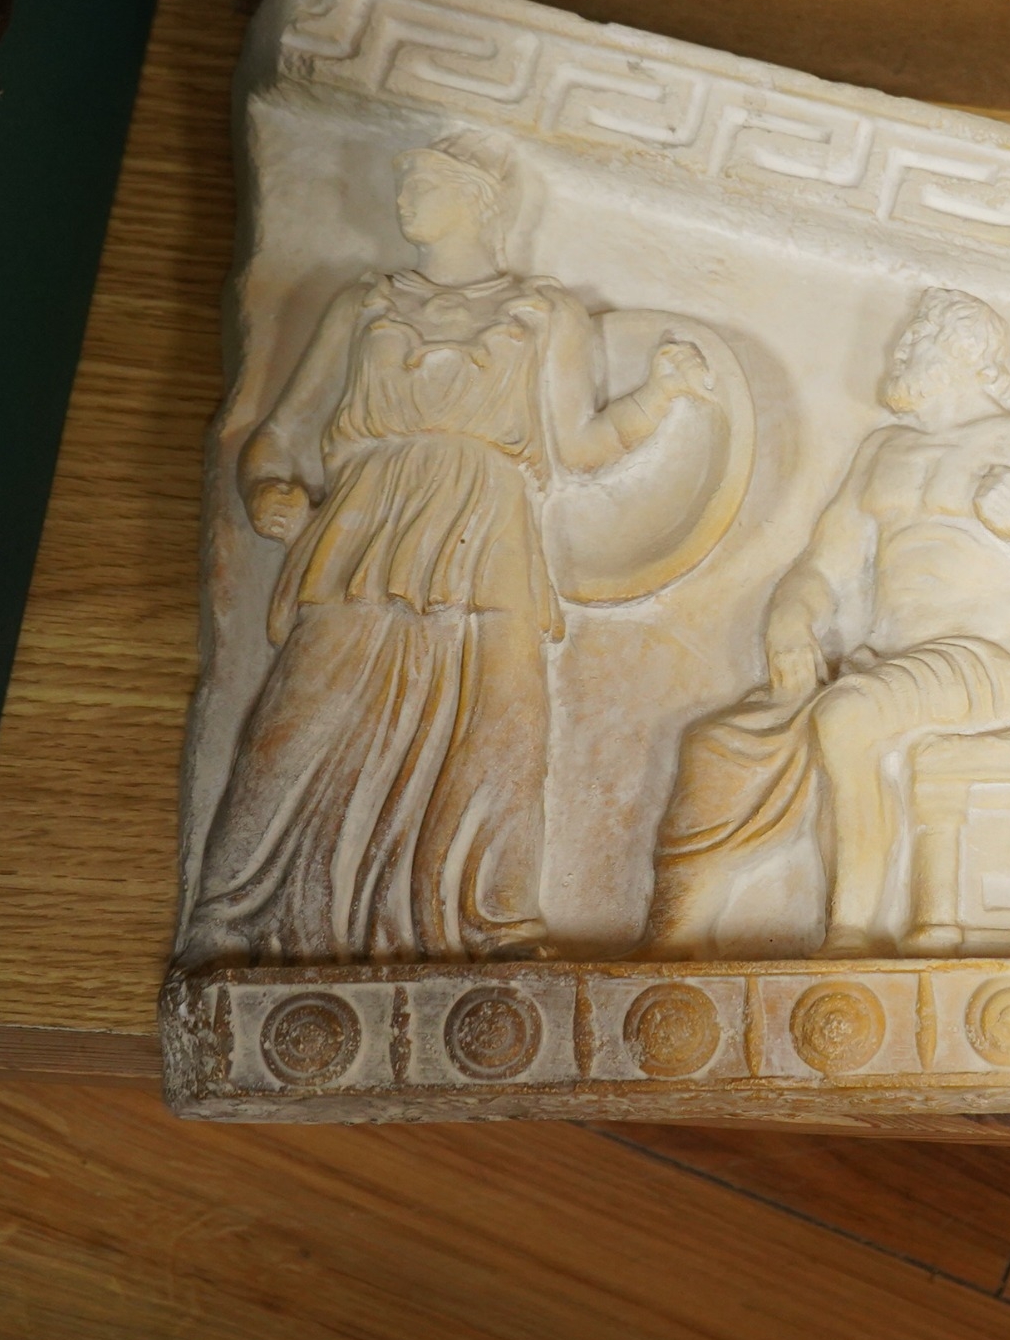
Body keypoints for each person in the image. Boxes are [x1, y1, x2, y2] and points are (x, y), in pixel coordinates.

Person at [185, 129, 711, 966]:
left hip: (491, 529)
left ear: (480, 202)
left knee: (504, 726)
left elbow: (580, 449)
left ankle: (494, 923)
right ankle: (231, 912)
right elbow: (278, 434)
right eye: (404, 183)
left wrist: (660, 393)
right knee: (302, 714)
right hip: (367, 526)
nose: (404, 199)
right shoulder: (366, 305)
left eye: (425, 184)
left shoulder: (544, 313)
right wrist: (265, 489)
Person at [643, 288, 1010, 957]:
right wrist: (791, 617)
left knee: (848, 715)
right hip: (887, 665)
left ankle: (850, 935)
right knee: (716, 744)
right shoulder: (882, 452)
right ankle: (671, 946)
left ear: (965, 351)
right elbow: (824, 566)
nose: (898, 351)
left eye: (915, 339)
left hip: (994, 663)